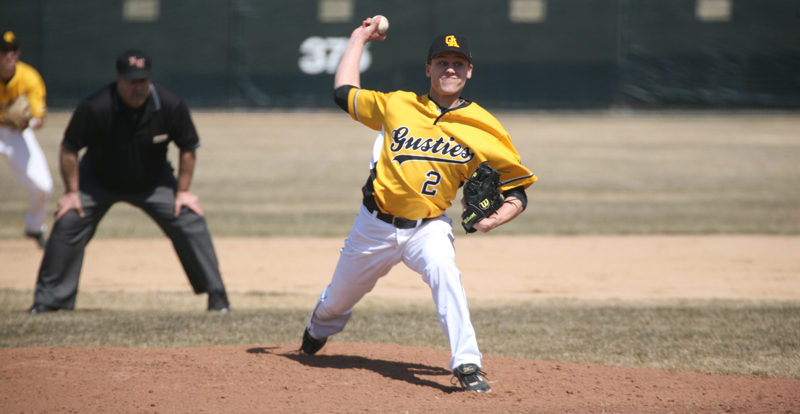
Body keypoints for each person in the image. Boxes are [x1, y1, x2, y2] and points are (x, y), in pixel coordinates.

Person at [299, 18, 537, 394]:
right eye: (442, 62)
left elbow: (518, 192)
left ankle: (466, 362)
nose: (450, 69)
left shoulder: (486, 128)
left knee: (446, 273)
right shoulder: (398, 105)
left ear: (470, 71)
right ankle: (318, 328)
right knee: (335, 302)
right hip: (373, 225)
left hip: (429, 227)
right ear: (428, 68)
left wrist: (495, 220)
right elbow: (344, 92)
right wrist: (359, 38)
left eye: (458, 63)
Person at [27, 49, 230, 313]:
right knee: (69, 220)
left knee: (189, 217)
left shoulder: (169, 104)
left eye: (143, 81)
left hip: (154, 182)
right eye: (132, 81)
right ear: (118, 80)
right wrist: (72, 192)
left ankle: (218, 299)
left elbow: (188, 147)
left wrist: (183, 192)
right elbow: (69, 149)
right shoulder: (95, 106)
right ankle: (49, 302)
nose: (139, 87)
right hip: (97, 181)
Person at [0, 31, 54, 248]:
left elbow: (39, 119)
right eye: (4, 50)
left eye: (13, 50)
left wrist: (26, 123)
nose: (9, 55)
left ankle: (34, 228)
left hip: (16, 134)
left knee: (44, 186)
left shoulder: (29, 77)